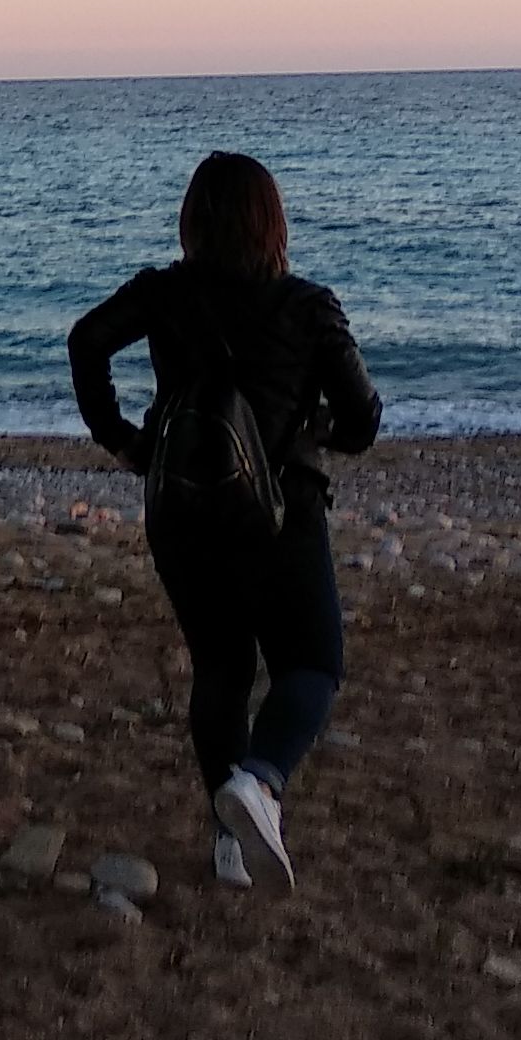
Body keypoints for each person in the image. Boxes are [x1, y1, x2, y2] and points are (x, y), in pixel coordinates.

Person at [66, 151, 381, 889]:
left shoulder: (163, 293)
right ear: (273, 222)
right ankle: (261, 781)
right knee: (313, 664)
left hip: (181, 511)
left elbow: (86, 343)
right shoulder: (307, 305)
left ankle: (228, 843)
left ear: (192, 222)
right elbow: (364, 421)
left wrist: (123, 441)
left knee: (222, 668)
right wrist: (319, 429)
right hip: (278, 517)